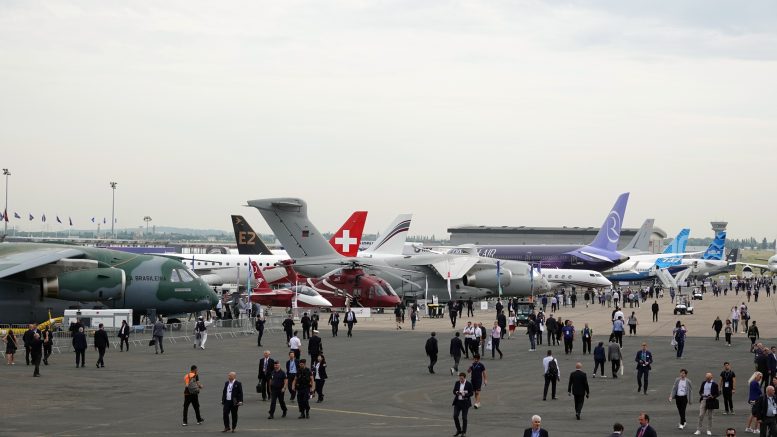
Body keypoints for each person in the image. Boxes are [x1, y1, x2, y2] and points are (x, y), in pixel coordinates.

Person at [452, 372, 473, 437]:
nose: (461, 380)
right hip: (458, 402)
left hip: (465, 403)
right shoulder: (457, 383)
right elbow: (454, 391)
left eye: (462, 379)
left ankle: (464, 432)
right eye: (460, 378)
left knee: (464, 418)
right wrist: (456, 392)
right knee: (455, 416)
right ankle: (459, 430)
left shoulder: (469, 384)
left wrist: (465, 394)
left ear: (464, 378)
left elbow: (471, 393)